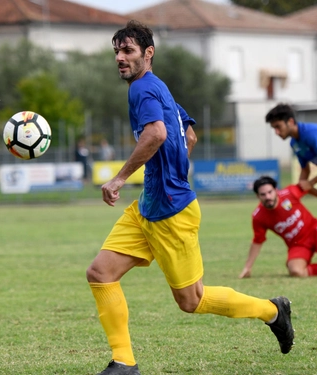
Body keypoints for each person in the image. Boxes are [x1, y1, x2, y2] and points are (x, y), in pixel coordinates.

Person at [86, 21, 294, 375]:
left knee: (191, 301)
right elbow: (190, 134)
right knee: (100, 273)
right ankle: (124, 363)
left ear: (148, 54)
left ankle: (273, 311)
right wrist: (172, 169)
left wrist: (119, 178)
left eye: (128, 51)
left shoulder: (141, 90)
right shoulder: (157, 87)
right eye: (117, 52)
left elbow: (156, 132)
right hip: (150, 207)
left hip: (170, 212)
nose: (120, 58)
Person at [239, 175, 317, 279]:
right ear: (258, 196)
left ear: (276, 190)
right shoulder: (258, 217)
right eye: (263, 194)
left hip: (314, 230)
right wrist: (247, 267)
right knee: (296, 270)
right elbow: (258, 240)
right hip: (298, 244)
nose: (268, 197)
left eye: (270, 192)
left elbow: (307, 186)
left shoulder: (290, 193)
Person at [265, 103, 317, 196]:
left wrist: (311, 183)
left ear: (291, 122)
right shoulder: (294, 143)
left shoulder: (311, 134)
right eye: (274, 128)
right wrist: (295, 192)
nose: (276, 132)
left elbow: (308, 184)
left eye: (278, 126)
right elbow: (305, 171)